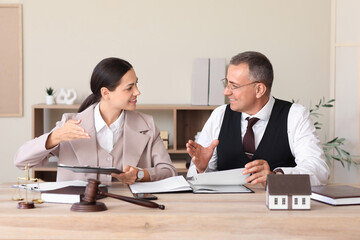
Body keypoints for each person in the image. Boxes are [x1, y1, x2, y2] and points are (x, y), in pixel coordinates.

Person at [14, 57, 177, 184]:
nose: (137, 92)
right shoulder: (70, 124)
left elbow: (169, 171)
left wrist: (140, 174)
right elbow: (21, 162)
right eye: (129, 87)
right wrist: (55, 137)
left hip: (131, 211)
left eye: (136, 85)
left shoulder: (147, 125)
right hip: (77, 213)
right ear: (106, 93)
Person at [186, 51, 329, 186]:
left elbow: (319, 171)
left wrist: (275, 177)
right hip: (227, 208)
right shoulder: (220, 115)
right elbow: (194, 179)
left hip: (277, 209)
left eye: (234, 86)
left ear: (259, 89)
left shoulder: (295, 115)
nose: (226, 92)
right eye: (226, 83)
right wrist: (201, 169)